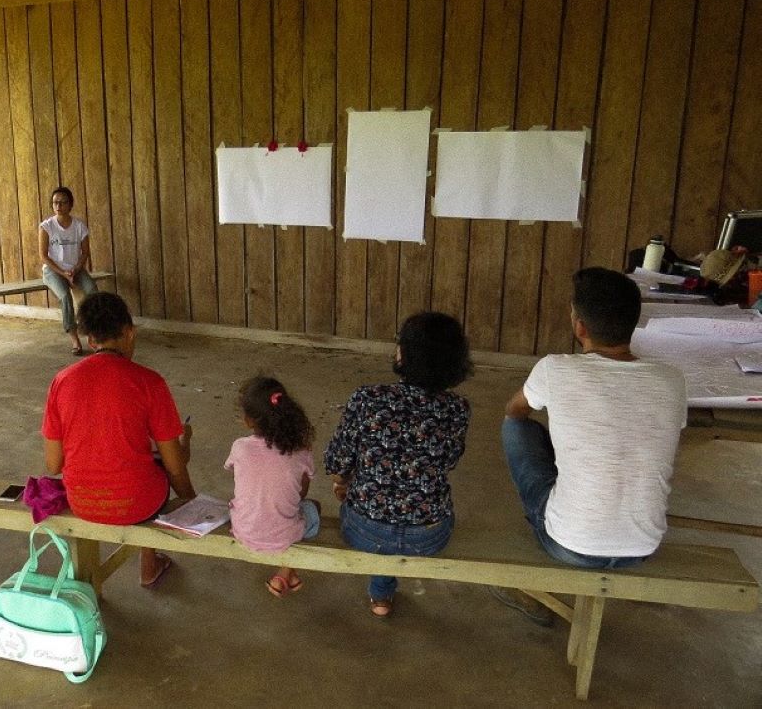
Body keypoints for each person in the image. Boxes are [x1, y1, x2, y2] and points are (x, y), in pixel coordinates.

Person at [494, 267, 686, 623]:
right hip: (643, 546)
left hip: (570, 546)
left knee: (516, 428)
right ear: (633, 324)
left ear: (579, 325)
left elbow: (514, 409)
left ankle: (543, 546)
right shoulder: (672, 380)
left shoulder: (554, 369)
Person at [324, 311, 472, 617]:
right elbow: (448, 460)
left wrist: (343, 482)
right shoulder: (456, 408)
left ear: (401, 354)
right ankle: (381, 593)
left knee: (379, 518)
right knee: (401, 510)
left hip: (364, 530)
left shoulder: (367, 398)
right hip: (428, 536)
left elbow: (338, 460)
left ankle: (381, 595)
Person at [42, 291, 194, 587]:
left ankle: (147, 562)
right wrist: (191, 498)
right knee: (156, 466)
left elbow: (53, 464)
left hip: (82, 501)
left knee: (139, 461)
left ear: (90, 340)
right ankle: (149, 564)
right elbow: (175, 466)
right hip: (137, 504)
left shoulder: (62, 380)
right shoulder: (149, 381)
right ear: (129, 333)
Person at [224, 375, 318, 598]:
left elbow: (239, 479)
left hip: (244, 530)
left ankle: (287, 573)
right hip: (285, 536)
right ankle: (286, 571)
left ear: (248, 420)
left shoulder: (240, 447)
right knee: (313, 507)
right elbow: (301, 493)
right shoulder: (301, 450)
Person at [39, 186, 97, 355]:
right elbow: (43, 256)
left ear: (70, 205)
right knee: (64, 296)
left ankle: (93, 332)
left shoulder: (79, 226)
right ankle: (74, 337)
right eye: (55, 202)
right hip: (53, 270)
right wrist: (63, 273)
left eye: (63, 202)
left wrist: (75, 270)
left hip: (75, 269)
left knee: (92, 291)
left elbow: (85, 252)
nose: (59, 206)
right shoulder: (46, 226)